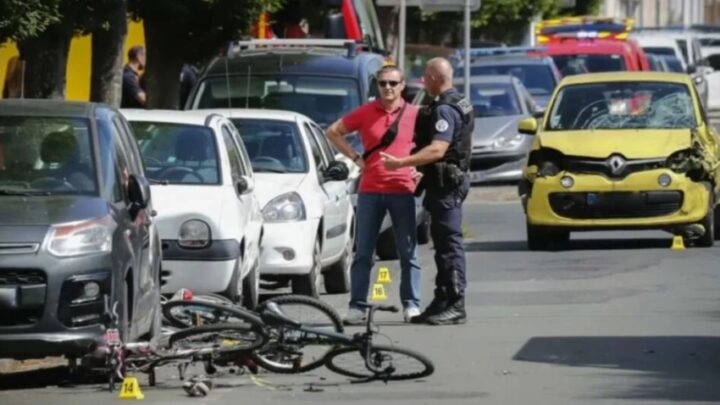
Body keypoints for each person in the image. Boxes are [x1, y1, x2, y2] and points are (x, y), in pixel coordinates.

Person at [326, 65, 422, 325]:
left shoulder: (415, 114)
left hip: (403, 190)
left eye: (393, 82)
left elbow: (431, 146)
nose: (388, 87)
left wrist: (419, 168)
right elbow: (333, 131)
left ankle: (412, 304)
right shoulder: (366, 112)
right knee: (363, 253)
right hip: (370, 191)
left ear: (402, 85)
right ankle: (357, 305)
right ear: (377, 86)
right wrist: (356, 158)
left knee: (408, 252)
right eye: (383, 83)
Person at [381, 57, 474, 325]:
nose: (423, 81)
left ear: (434, 77)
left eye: (426, 76)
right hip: (445, 181)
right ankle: (442, 298)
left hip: (447, 185)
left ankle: (456, 303)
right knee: (441, 244)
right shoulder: (461, 101)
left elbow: (438, 149)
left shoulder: (444, 109)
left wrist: (401, 162)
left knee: (449, 245)